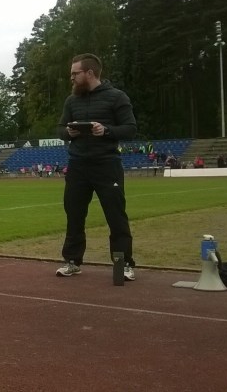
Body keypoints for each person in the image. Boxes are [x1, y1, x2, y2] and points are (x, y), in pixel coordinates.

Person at [56, 53, 137, 281]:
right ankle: (72, 262)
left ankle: (123, 265)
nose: (71, 77)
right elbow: (59, 129)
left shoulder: (117, 97)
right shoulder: (72, 101)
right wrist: (68, 132)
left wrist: (106, 130)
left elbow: (130, 129)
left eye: (75, 73)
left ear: (90, 73)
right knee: (74, 215)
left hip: (107, 164)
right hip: (78, 165)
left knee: (115, 216)